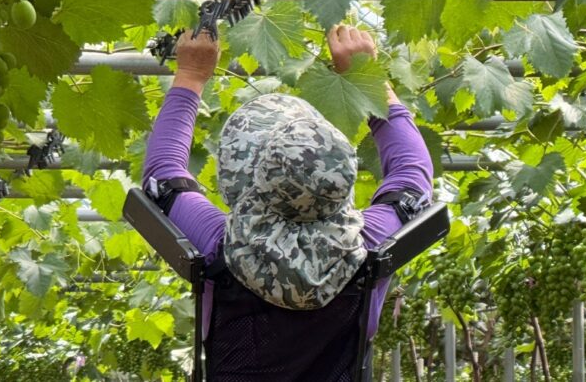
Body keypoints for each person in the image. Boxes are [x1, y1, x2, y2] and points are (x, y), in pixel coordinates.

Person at [141, 24, 434, 381]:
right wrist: (368, 78)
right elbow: (413, 179)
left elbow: (162, 176)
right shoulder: (370, 244)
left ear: (243, 173)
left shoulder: (219, 244)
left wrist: (190, 75)